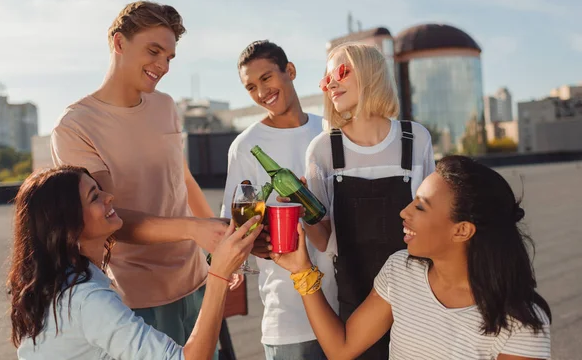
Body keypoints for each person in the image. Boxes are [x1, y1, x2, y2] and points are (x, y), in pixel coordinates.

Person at [50, 1, 234, 354]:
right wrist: (195, 229)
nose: (163, 66)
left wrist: (214, 246)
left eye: (169, 57)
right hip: (137, 296)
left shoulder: (165, 106)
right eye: (154, 51)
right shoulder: (75, 126)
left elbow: (182, 179)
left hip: (197, 281)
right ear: (119, 43)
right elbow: (108, 219)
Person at [272, 155, 552, 360]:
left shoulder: (521, 322)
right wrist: (302, 270)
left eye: (421, 206)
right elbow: (341, 349)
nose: (404, 212)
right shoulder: (400, 270)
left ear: (462, 230)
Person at [8, 166, 262, 359]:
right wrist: (219, 273)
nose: (109, 197)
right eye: (94, 196)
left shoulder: (53, 286)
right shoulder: (87, 300)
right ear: (68, 226)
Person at [302, 43, 435, 359]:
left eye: (341, 72)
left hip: (416, 299)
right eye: (326, 79)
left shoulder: (415, 139)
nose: (330, 83)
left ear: (371, 73)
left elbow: (433, 225)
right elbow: (323, 242)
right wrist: (302, 213)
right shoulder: (322, 150)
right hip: (354, 305)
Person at [220, 40, 335, 359]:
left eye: (267, 78)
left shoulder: (330, 131)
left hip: (349, 308)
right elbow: (237, 227)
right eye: (251, 87)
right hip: (289, 318)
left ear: (291, 71)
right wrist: (257, 242)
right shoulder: (246, 147)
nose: (261, 92)